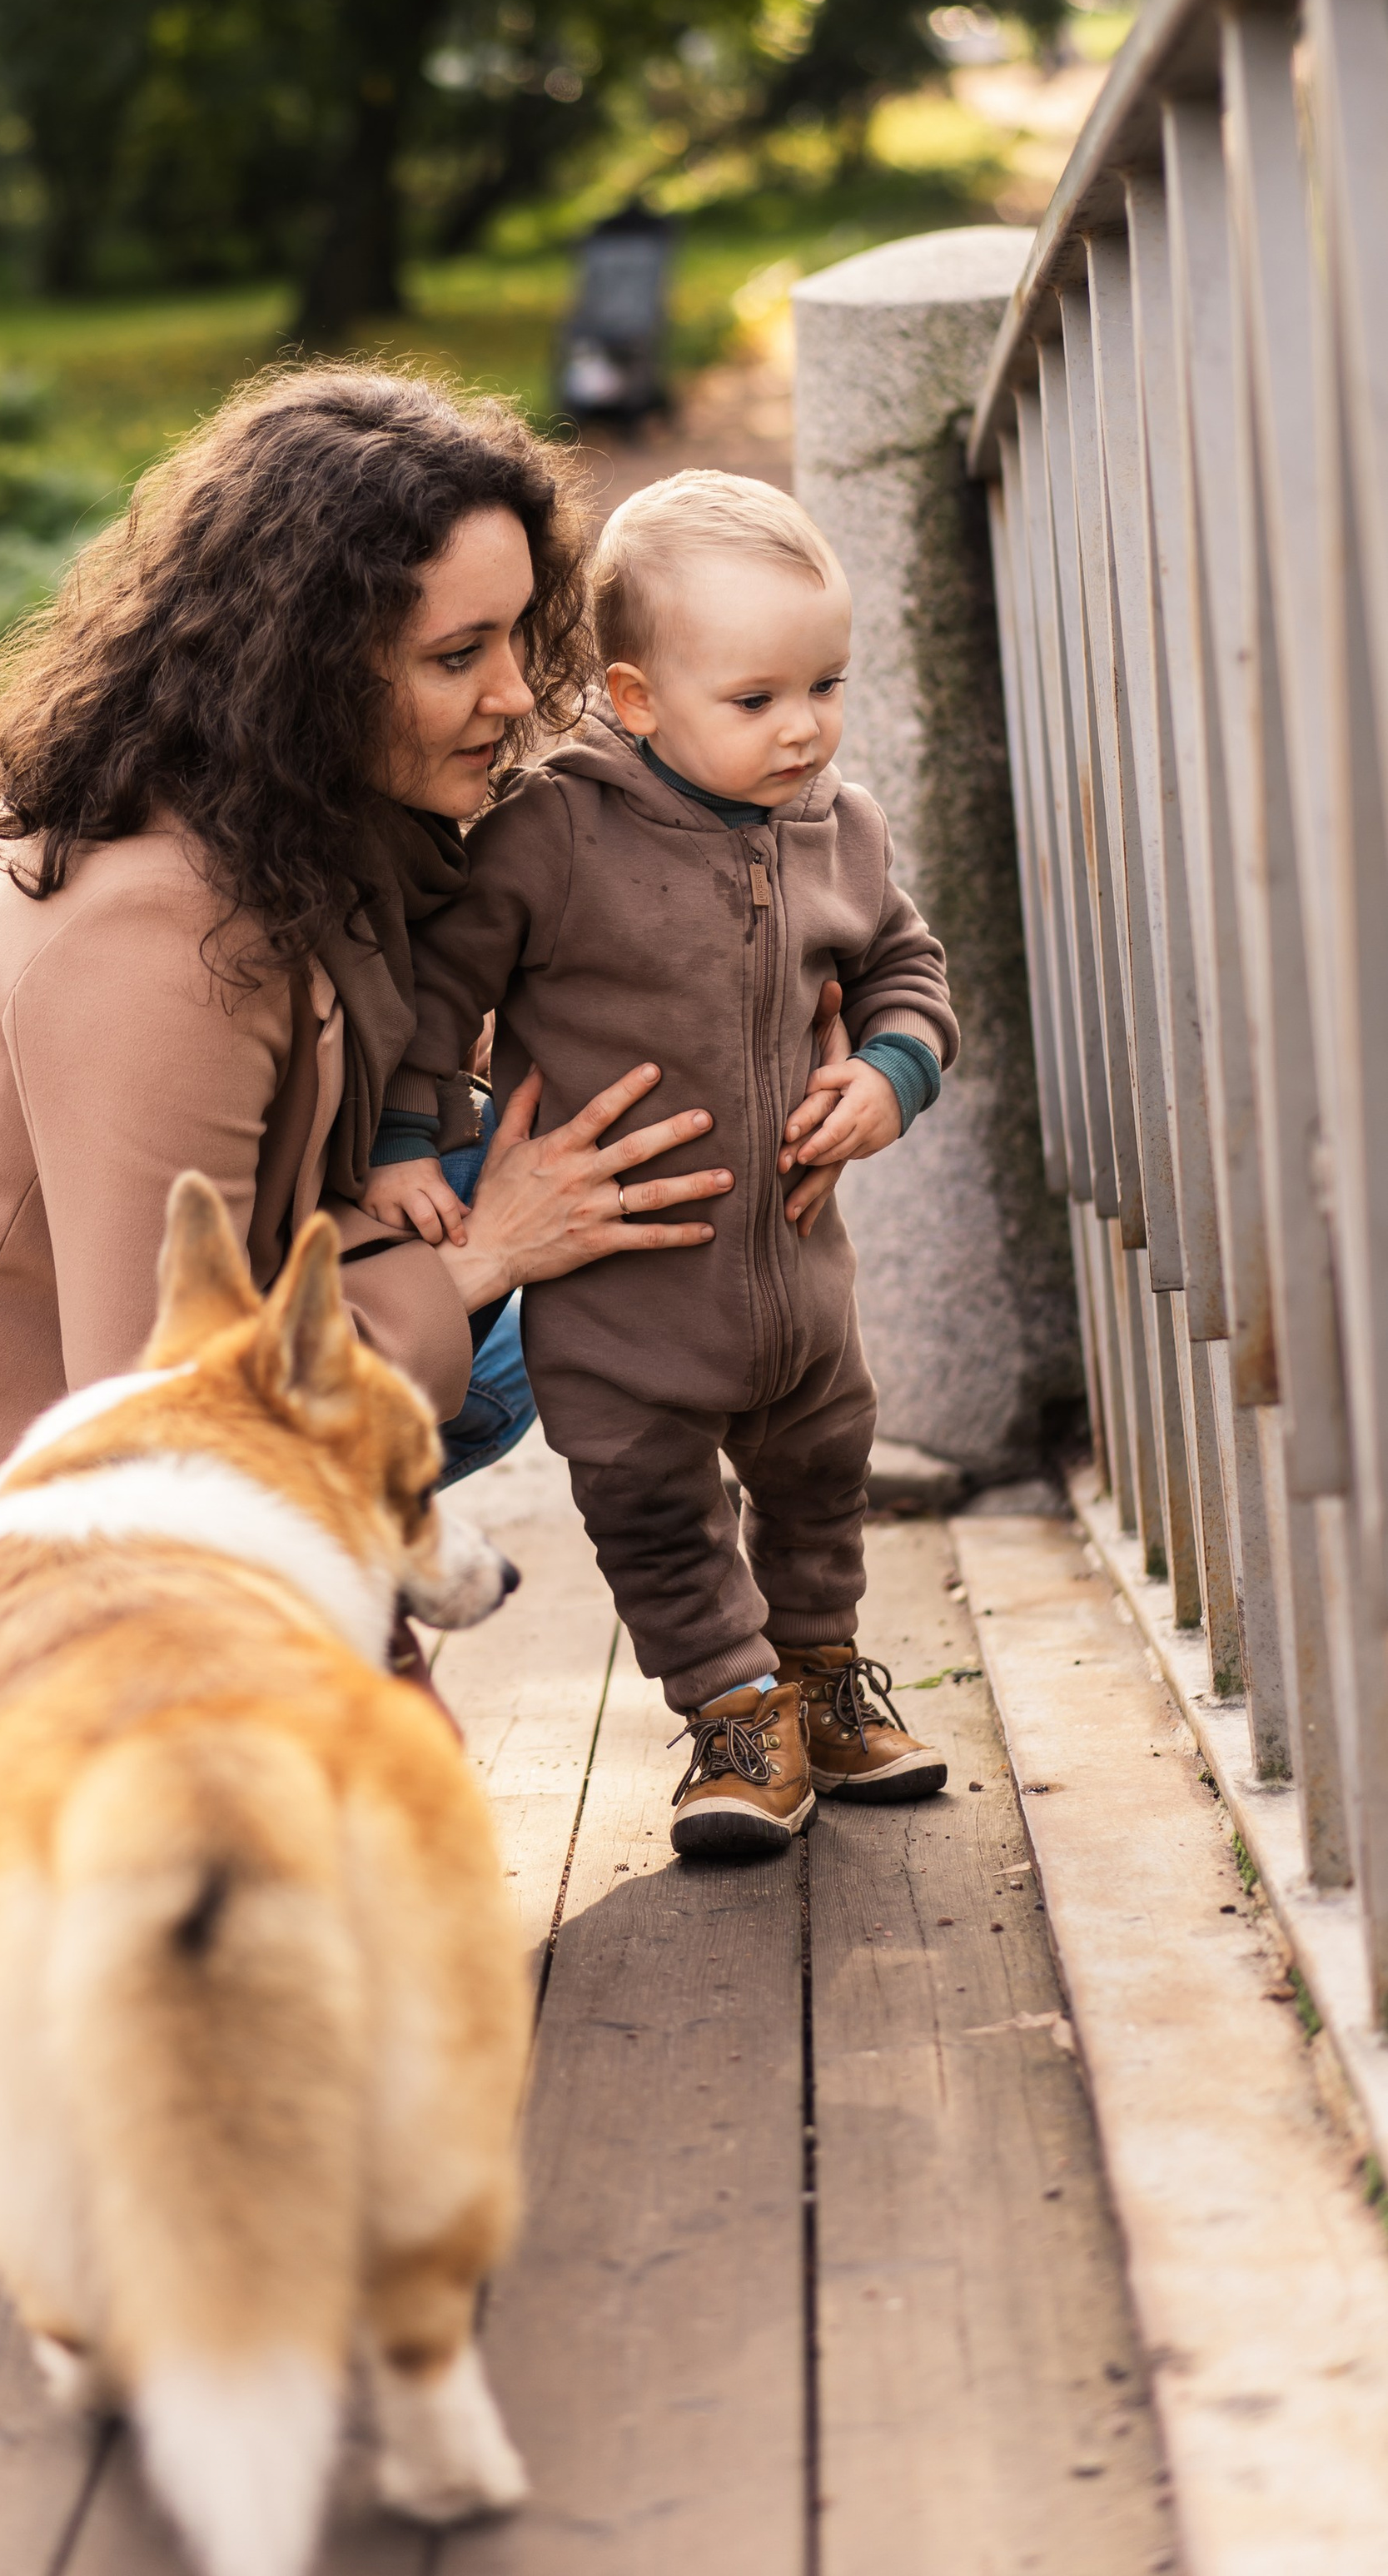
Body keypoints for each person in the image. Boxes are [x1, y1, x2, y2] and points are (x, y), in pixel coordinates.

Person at [0, 367, 744, 1998]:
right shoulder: (151, 927)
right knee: (560, 1227)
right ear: (305, 666)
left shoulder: (282, 824)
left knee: (643, 1137)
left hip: (118, 1419)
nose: (512, 695)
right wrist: (482, 1259)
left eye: (517, 637)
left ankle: (766, 1663)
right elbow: (159, 1399)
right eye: (452, 656)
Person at [368, 469, 959, 1859]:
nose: (804, 730)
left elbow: (907, 969)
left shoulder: (842, 830)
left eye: (827, 685)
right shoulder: (550, 837)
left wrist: (890, 1073)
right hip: (627, 1297)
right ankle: (733, 1711)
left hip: (799, 1286)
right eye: (754, 702)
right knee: (652, 1509)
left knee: (823, 1481)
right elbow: (436, 994)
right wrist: (409, 1140)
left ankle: (819, 1676)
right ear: (635, 700)